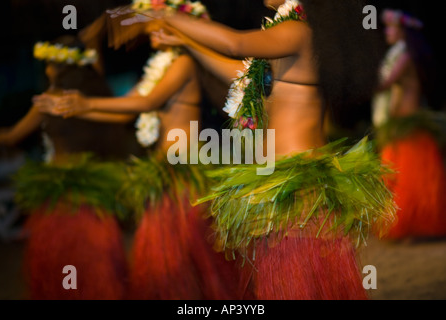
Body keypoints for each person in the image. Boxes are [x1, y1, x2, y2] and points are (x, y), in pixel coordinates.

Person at [116, 0, 396, 300]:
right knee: (286, 275)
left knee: (296, 277)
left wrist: (163, 13)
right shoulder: (290, 32)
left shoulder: (297, 30)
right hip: (277, 175)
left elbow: (236, 43)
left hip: (295, 180)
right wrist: (187, 41)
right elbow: (243, 76)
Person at [38, 1, 239, 300]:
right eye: (150, 25)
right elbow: (124, 112)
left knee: (186, 253)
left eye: (158, 24)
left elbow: (147, 103)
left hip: (183, 168)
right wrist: (75, 109)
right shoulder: (159, 66)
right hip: (164, 168)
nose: (150, 30)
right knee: (170, 256)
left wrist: (87, 103)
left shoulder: (183, 61)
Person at [0, 35, 130, 299]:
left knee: (63, 259)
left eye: (49, 64)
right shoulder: (96, 92)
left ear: (59, 66)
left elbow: (12, 137)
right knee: (95, 258)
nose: (46, 69)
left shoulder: (52, 99)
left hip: (61, 189)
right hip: (95, 187)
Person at [372, 9, 446, 239]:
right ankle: (409, 226)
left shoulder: (405, 57)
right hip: (398, 124)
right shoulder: (400, 54)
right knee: (398, 177)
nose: (387, 32)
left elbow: (385, 84)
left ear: (403, 31)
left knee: (408, 178)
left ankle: (414, 224)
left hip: (409, 125)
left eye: (392, 27)